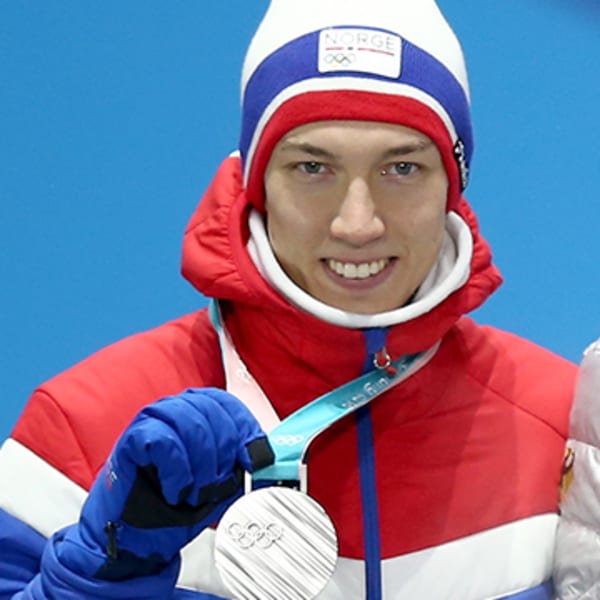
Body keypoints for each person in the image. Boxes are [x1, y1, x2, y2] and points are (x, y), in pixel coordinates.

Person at [0, 0, 592, 598]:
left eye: (401, 168)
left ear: (452, 187)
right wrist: (95, 579)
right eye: (312, 167)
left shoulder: (569, 431)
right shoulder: (82, 428)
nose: (357, 224)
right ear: (256, 182)